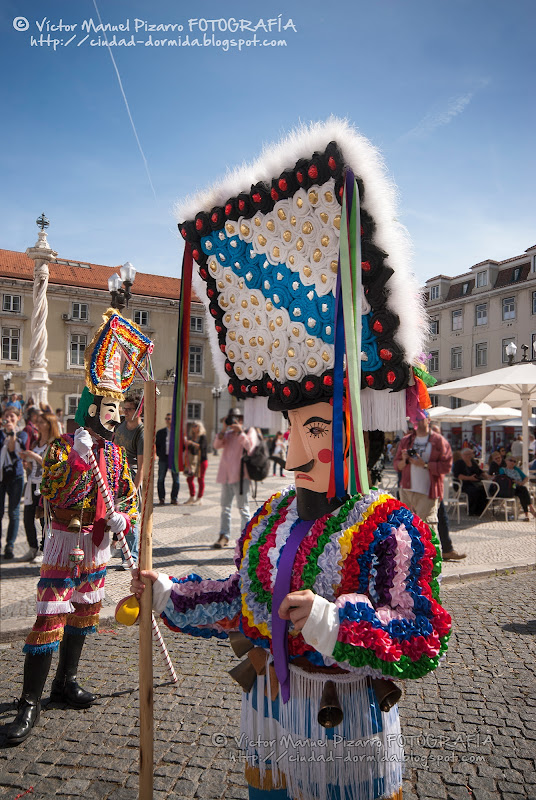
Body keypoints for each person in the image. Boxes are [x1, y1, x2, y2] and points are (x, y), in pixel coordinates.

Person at [137, 120, 452, 800]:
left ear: (358, 438)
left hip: (346, 731)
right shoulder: (271, 518)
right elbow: (237, 604)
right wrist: (169, 594)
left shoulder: (393, 526)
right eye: (292, 428)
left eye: (317, 428)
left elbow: (424, 637)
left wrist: (334, 622)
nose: (295, 446)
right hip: (272, 721)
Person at [4, 309, 147, 747]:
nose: (114, 416)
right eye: (107, 408)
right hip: (67, 542)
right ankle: (29, 701)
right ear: (89, 408)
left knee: (85, 613)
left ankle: (65, 682)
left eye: (116, 409)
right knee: (50, 616)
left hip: (100, 544)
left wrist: (127, 516)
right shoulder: (63, 448)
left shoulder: (118, 454)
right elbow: (52, 494)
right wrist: (80, 463)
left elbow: (131, 498)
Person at [394, 411, 452, 526]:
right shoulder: (406, 441)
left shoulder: (438, 441)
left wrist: (425, 465)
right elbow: (397, 465)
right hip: (407, 490)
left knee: (427, 529)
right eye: (415, 419)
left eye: (420, 419)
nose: (417, 422)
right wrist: (404, 460)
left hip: (427, 492)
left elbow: (446, 467)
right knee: (405, 528)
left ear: (428, 420)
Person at [212, 407, 257, 549]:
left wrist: (240, 432)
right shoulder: (228, 434)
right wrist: (224, 429)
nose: (234, 420)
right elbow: (216, 445)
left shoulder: (250, 432)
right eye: (232, 418)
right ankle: (224, 535)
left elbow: (251, 448)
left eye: (237, 418)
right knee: (225, 508)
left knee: (243, 508)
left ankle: (246, 537)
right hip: (226, 476)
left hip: (241, 477)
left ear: (242, 419)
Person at [20, 411, 60, 563]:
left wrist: (34, 456)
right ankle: (32, 547)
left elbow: (50, 463)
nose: (39, 425)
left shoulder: (54, 443)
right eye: (39, 422)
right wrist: (27, 461)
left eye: (42, 422)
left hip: (46, 484)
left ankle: (45, 549)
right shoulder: (36, 443)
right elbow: (33, 465)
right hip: (33, 481)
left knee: (45, 519)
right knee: (28, 517)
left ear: (49, 425)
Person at [113, 396, 143, 567]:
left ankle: (131, 556)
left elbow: (142, 464)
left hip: (131, 476)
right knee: (116, 514)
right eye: (124, 409)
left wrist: (134, 489)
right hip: (117, 473)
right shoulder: (121, 426)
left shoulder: (141, 432)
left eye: (129, 409)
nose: (125, 412)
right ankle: (121, 550)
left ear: (138, 411)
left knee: (130, 516)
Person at [429, 424, 466, 561]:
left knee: (442, 520)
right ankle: (429, 552)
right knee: (428, 522)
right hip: (424, 493)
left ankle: (447, 549)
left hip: (436, 492)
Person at [0, 406, 28, 559]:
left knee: (13, 512)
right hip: (1, 477)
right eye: (6, 416)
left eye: (12, 416)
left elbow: (13, 450)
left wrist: (11, 433)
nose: (9, 419)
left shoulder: (22, 434)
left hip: (16, 476)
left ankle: (9, 545)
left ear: (18, 418)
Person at [452, 448, 488, 516]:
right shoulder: (459, 463)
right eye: (468, 454)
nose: (470, 456)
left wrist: (486, 476)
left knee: (484, 490)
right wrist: (469, 478)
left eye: (471, 454)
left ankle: (480, 511)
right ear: (463, 455)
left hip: (474, 482)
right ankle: (471, 510)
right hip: (462, 483)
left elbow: (479, 471)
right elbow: (458, 476)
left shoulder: (473, 461)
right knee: (473, 491)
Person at [499, 454, 536, 521]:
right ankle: (530, 508)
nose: (513, 462)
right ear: (506, 461)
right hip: (509, 488)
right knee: (523, 490)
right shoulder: (502, 469)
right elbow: (505, 479)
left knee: (522, 493)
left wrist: (522, 483)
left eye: (514, 461)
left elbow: (526, 478)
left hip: (518, 488)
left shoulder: (516, 469)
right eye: (511, 460)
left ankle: (527, 515)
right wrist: (516, 482)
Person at [155, 412, 180, 505]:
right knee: (161, 478)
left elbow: (182, 446)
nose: (168, 421)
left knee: (176, 479)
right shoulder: (161, 432)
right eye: (166, 419)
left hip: (174, 458)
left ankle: (174, 498)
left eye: (169, 419)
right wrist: (159, 454)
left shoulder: (177, 432)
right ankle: (161, 498)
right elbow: (157, 445)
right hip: (163, 458)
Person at [183, 420, 208, 505]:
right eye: (193, 426)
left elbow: (203, 447)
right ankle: (192, 496)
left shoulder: (202, 437)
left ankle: (200, 498)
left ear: (199, 427)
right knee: (189, 478)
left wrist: (192, 443)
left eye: (195, 426)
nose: (193, 427)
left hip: (201, 461)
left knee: (200, 479)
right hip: (192, 461)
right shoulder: (191, 436)